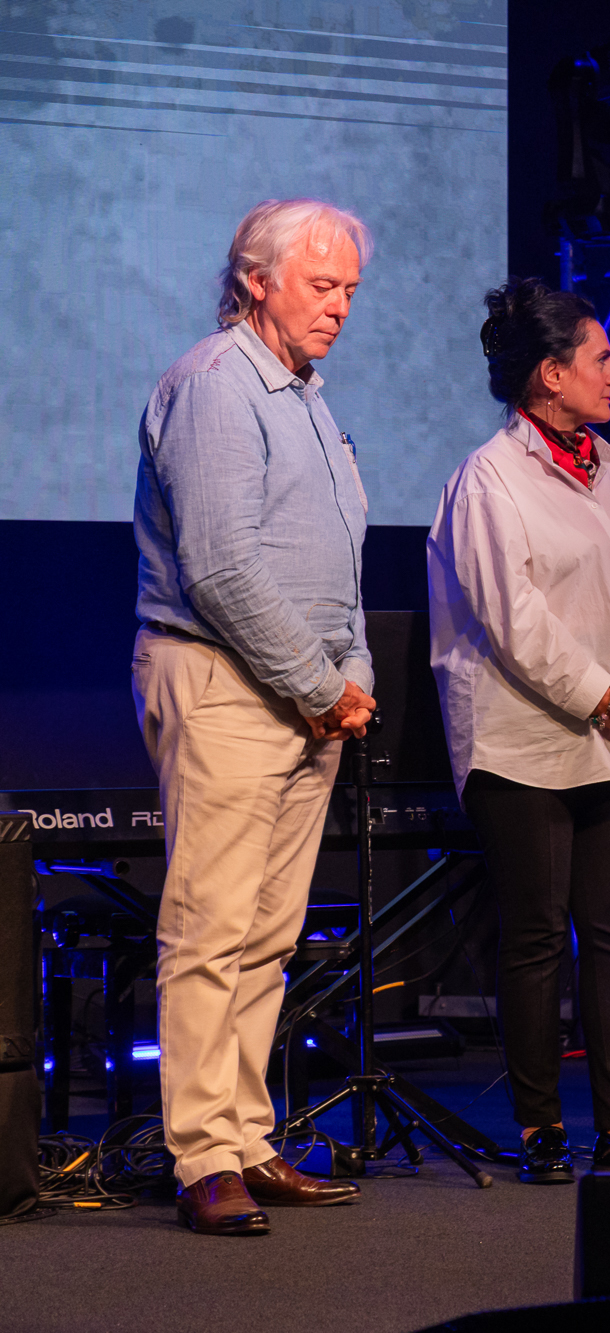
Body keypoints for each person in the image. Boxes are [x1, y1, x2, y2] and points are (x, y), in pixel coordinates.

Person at [428, 277, 610, 1182]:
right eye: (602, 359)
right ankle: (539, 1128)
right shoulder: (490, 478)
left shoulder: (608, 465)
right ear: (551, 374)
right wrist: (602, 694)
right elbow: (513, 620)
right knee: (535, 937)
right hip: (524, 740)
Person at [132, 198, 377, 1234]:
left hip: (302, 696)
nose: (340, 307)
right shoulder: (215, 386)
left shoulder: (308, 398)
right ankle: (201, 1155)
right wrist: (322, 686)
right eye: (321, 286)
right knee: (211, 927)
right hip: (226, 680)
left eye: (350, 290)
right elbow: (223, 567)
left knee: (268, 936)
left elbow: (339, 566)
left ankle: (244, 1135)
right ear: (255, 280)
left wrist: (351, 670)